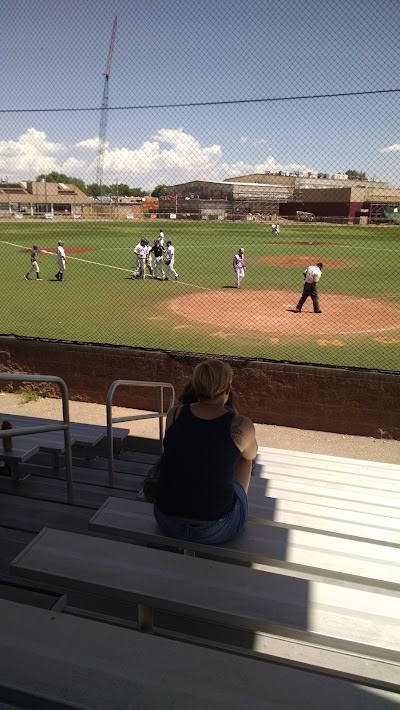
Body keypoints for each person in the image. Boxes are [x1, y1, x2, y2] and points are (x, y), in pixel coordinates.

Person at [154, 359, 258, 544]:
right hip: (216, 528)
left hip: (166, 520)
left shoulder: (174, 414)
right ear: (227, 390)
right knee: (245, 460)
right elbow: (251, 455)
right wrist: (234, 416)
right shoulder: (241, 424)